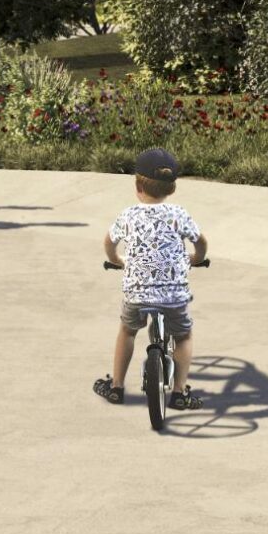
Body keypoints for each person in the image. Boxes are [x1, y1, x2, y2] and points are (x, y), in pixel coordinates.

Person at [93, 145, 207, 409]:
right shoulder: (179, 214)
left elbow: (109, 244)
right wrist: (197, 258)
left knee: (127, 330)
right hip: (174, 295)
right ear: (171, 189)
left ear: (138, 186)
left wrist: (117, 261)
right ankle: (179, 393)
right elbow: (200, 242)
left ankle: (116, 387)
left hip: (137, 293)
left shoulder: (129, 215)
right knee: (184, 336)